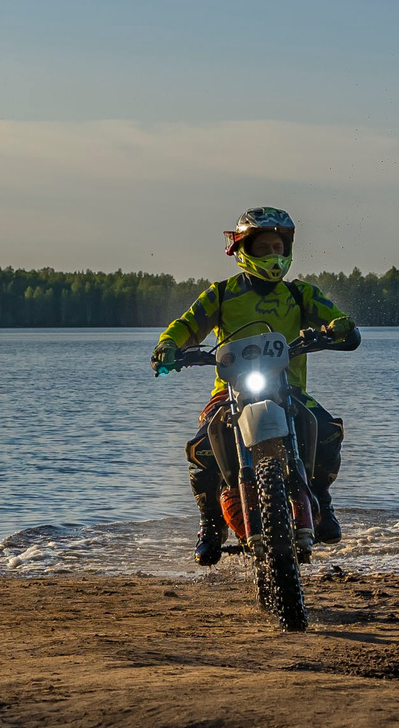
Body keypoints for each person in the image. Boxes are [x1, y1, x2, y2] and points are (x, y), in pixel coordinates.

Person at [152, 207, 360, 566]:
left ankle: (322, 501)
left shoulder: (301, 294)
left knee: (327, 432)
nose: (272, 255)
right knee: (201, 450)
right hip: (230, 392)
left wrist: (341, 327)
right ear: (243, 250)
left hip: (288, 389)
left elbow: (335, 318)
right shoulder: (220, 294)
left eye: (278, 247)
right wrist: (169, 345)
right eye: (263, 248)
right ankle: (210, 523)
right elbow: (187, 324)